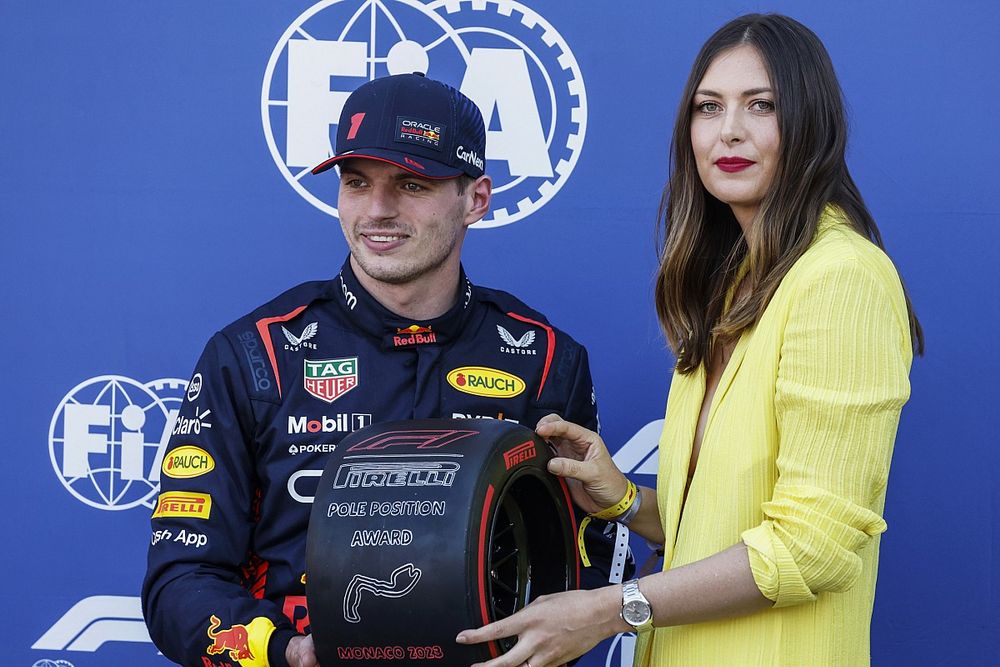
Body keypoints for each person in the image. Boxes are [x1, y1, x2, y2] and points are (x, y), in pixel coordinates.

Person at [457, 13, 923, 667]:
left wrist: (606, 608)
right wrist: (622, 497)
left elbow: (809, 546)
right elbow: (719, 532)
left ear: (812, 123)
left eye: (761, 105)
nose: (729, 129)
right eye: (709, 107)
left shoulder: (841, 276)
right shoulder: (730, 286)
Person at [142, 73, 631, 667]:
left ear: (476, 198)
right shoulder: (255, 354)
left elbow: (590, 560)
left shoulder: (545, 357)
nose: (377, 210)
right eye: (357, 183)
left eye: (411, 183)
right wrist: (288, 652)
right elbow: (180, 581)